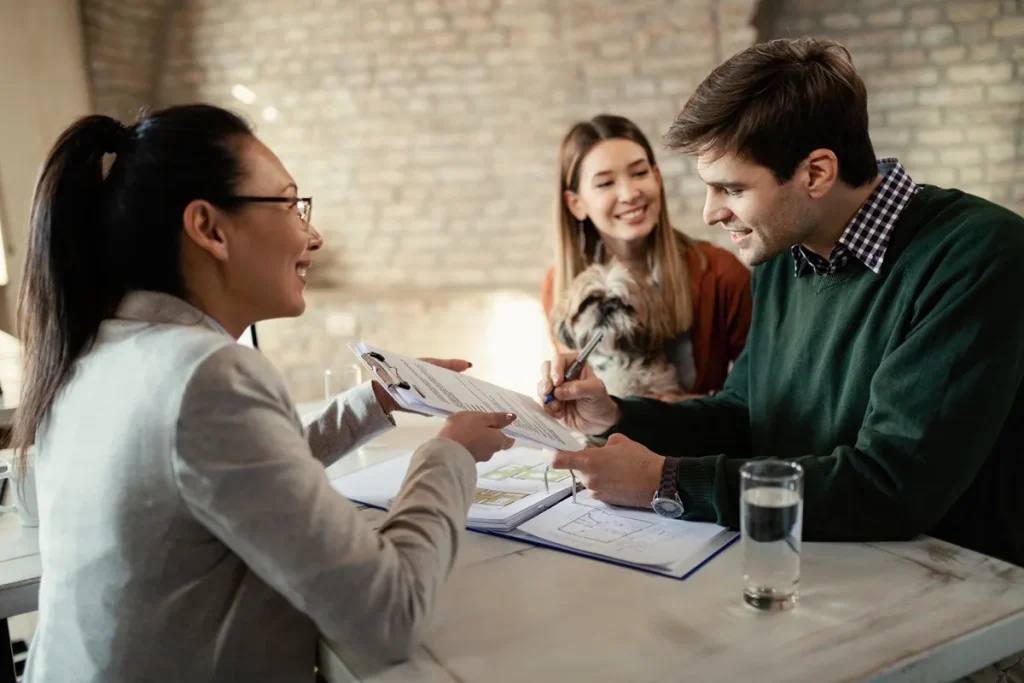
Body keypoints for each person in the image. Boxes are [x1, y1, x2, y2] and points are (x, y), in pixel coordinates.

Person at [13, 104, 516, 682]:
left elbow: (228, 480)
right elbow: (387, 618)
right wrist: (450, 452)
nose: (315, 234)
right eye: (291, 204)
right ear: (209, 229)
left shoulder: (100, 348)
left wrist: (373, 401)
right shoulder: (207, 372)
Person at [538, 37, 1024, 571]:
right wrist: (618, 414)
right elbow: (746, 414)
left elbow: (893, 485)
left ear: (816, 173)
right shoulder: (782, 254)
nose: (709, 213)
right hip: (816, 561)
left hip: (956, 592)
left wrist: (667, 481)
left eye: (731, 189)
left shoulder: (979, 255)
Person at [541, 114, 751, 400]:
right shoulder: (559, 284)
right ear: (576, 204)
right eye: (605, 183)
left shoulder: (721, 274)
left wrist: (687, 408)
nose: (629, 194)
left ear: (657, 177)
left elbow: (762, 392)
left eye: (639, 173)